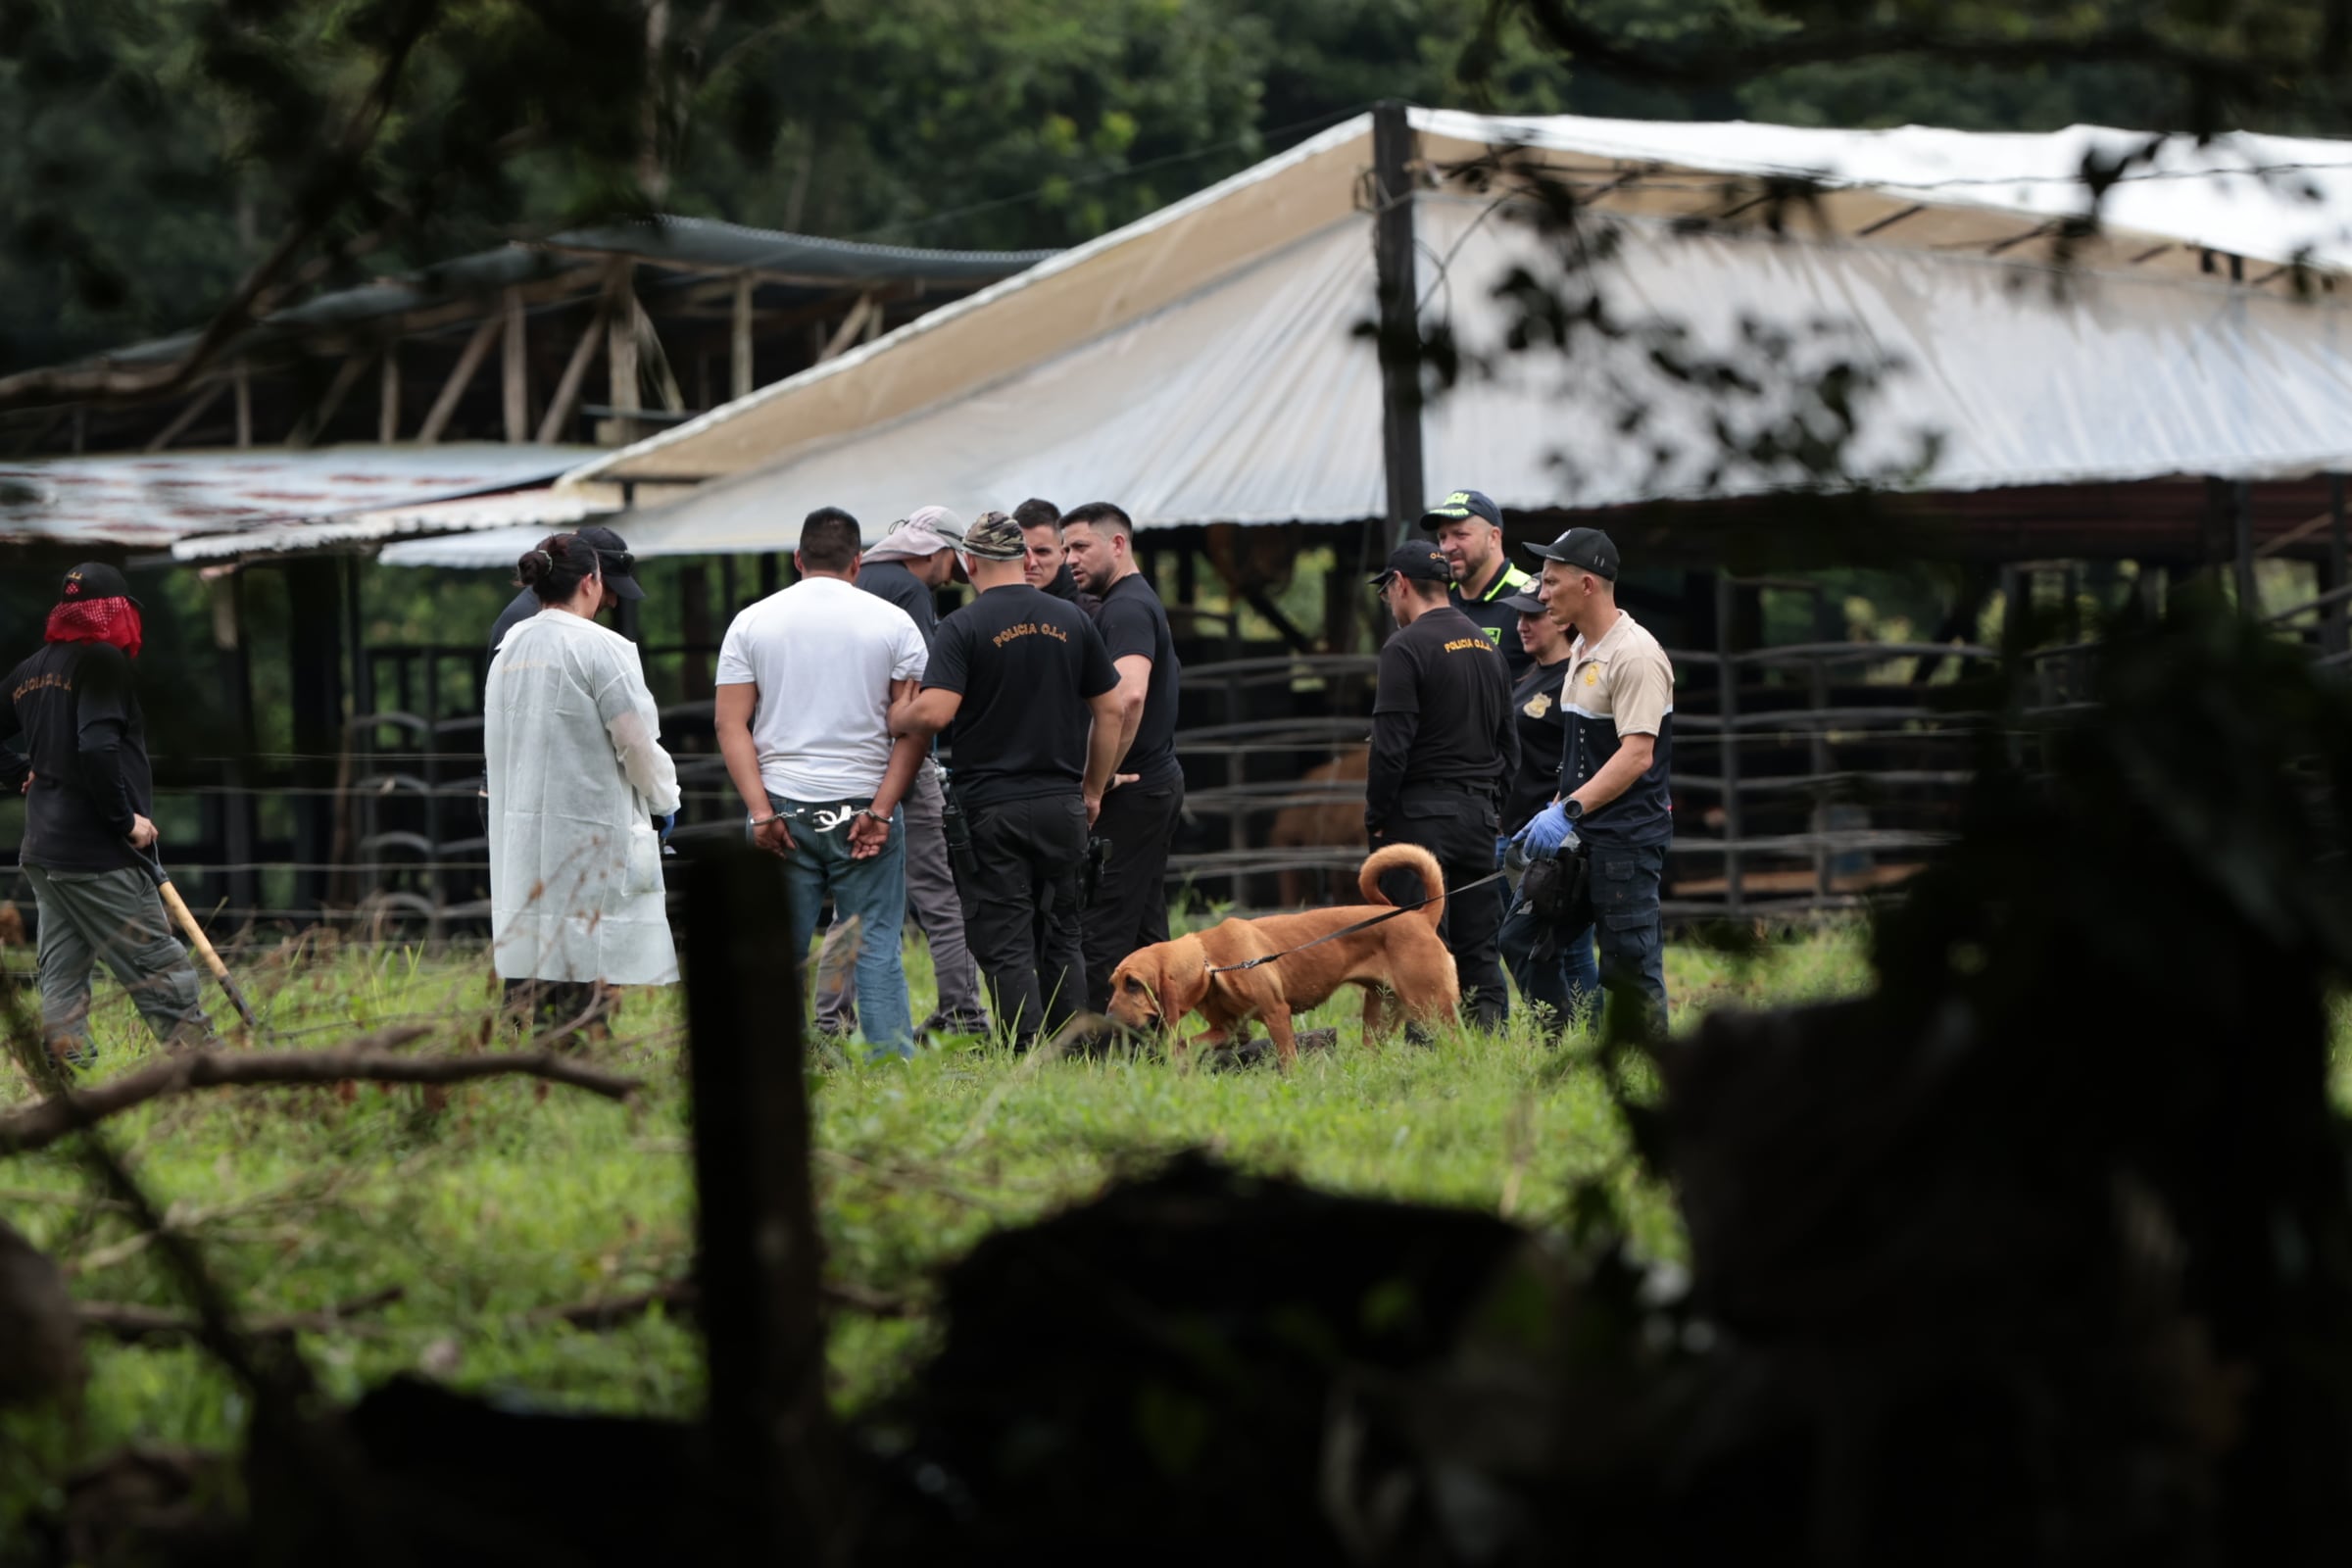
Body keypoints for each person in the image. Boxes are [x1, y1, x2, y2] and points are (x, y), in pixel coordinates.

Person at [894, 511, 1123, 1048]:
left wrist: (897, 715)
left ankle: (1026, 1050)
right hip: (1061, 802)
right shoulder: (1072, 620)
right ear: (1024, 559)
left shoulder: (962, 627)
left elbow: (935, 713)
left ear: (969, 562)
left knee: (1005, 932)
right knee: (1064, 928)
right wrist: (1092, 789)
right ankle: (1074, 1047)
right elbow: (1112, 710)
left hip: (989, 807)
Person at [717, 507, 931, 1057]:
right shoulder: (895, 623)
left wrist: (760, 812)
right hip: (863, 802)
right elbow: (914, 730)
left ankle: (769, 1063)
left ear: (797, 560)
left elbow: (730, 722)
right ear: (858, 563)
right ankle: (891, 1068)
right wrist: (883, 810)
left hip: (782, 802)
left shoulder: (752, 621)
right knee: (876, 944)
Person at [2, 564, 217, 1067]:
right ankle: (209, 1071)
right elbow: (97, 746)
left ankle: (66, 1074)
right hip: (99, 855)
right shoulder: (103, 664)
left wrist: (17, 773)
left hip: (46, 854)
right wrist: (126, 821)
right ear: (115, 613)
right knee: (159, 967)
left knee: (62, 972)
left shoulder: (32, 670)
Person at [484, 536, 683, 1035]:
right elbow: (636, 742)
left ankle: (547, 1047)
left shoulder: (511, 648)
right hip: (587, 825)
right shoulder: (601, 647)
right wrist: (665, 799)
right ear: (591, 581)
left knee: (542, 944)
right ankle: (576, 1049)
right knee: (582, 947)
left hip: (523, 830)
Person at [815, 509, 992, 1040]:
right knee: (939, 893)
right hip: (899, 762)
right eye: (949, 565)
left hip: (845, 767)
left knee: (849, 904)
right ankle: (964, 1013)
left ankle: (831, 1020)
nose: (948, 577)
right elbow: (920, 692)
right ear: (932, 552)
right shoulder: (910, 593)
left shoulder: (857, 581)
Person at [1517, 526, 1675, 1025]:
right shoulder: (1582, 649)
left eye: (1551, 582)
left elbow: (1635, 757)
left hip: (1626, 840)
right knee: (1520, 939)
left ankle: (1652, 1069)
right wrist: (1555, 809)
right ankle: (1561, 1049)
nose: (1541, 595)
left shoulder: (1636, 654)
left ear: (1587, 585)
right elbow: (1582, 752)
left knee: (1629, 961)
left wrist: (1566, 810)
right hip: (1581, 836)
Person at [1366, 542, 1518, 1030]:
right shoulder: (1487, 645)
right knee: (1480, 943)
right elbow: (1509, 745)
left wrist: (1377, 817)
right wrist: (1493, 807)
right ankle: (1488, 1042)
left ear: (1401, 584)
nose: (1390, 603)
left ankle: (1426, 1049)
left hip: (1420, 817)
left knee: (1419, 939)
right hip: (1477, 818)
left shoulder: (1404, 647)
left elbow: (1391, 746)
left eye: (1387, 591)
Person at [1061, 501, 1185, 1012]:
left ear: (1118, 544)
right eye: (1065, 547)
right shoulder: (1130, 602)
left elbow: (1129, 696)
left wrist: (1099, 780)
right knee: (1146, 926)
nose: (1070, 558)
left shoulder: (1126, 607)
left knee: (1104, 922)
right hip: (1154, 781)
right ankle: (1162, 1039)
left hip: (1132, 787)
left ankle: (1095, 1045)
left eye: (1080, 546)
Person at [1492, 589, 1599, 1033]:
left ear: (1560, 620)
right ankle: (1558, 1030)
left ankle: (1587, 1036)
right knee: (1525, 943)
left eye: (1533, 615)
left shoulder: (1574, 680)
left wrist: (1563, 818)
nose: (1522, 625)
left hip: (1553, 837)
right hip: (1513, 832)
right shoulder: (1526, 678)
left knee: (1566, 947)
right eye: (1518, 616)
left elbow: (1582, 759)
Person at [1422, 488, 1535, 681]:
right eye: (1442, 537)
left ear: (1493, 537)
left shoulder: (1530, 596)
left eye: (1461, 534)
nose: (1447, 547)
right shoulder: (1439, 600)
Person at [1017, 498, 1101, 616]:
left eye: (1042, 552)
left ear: (1062, 555)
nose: (1032, 563)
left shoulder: (1089, 613)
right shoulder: (992, 609)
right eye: (1022, 552)